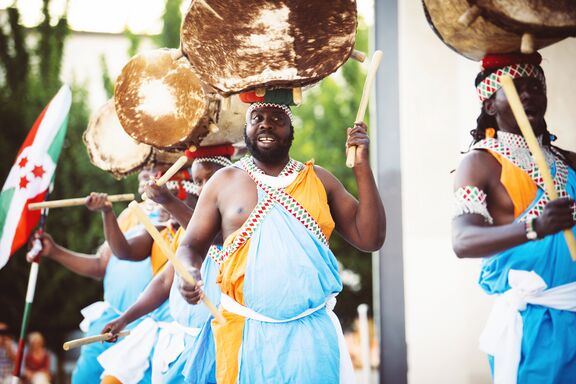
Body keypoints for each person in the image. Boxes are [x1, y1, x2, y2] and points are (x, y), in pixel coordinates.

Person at [176, 95, 386, 383]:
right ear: (246, 129)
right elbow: (190, 246)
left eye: (277, 119)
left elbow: (370, 238)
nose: (266, 125)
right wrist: (188, 272)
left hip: (311, 341)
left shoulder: (319, 181)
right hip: (243, 335)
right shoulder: (223, 181)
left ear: (291, 130)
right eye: (257, 119)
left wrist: (362, 168)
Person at [452, 52, 576, 383]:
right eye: (516, 87)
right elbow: (463, 241)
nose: (528, 95)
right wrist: (535, 227)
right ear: (490, 104)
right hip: (535, 328)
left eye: (536, 87)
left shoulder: (572, 162)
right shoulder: (480, 164)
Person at [30, 165, 179, 383]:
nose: (146, 170)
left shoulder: (175, 217)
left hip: (143, 324)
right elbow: (101, 264)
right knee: (82, 379)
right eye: (144, 167)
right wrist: (54, 251)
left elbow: (125, 251)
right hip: (111, 317)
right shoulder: (130, 213)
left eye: (156, 164)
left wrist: (107, 212)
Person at [99, 145, 234, 384]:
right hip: (180, 339)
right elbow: (164, 281)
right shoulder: (182, 228)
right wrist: (125, 319)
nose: (204, 188)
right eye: (198, 181)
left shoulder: (236, 220)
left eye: (209, 180)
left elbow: (212, 239)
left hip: (218, 341)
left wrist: (168, 201)